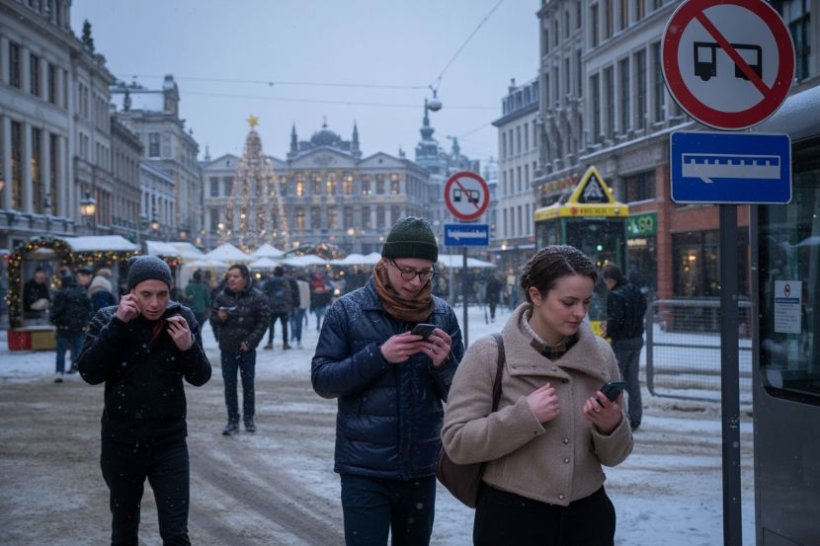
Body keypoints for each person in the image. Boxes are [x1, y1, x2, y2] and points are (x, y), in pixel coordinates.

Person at [441, 245, 633, 546]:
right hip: (511, 519)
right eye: (568, 302)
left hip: (587, 518)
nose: (580, 313)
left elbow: (617, 455)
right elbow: (457, 443)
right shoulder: (489, 354)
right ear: (535, 295)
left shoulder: (601, 355)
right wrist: (523, 417)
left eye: (587, 301)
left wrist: (610, 426)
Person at [312, 216, 464, 546]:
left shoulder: (442, 315)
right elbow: (323, 381)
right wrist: (378, 356)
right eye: (407, 271)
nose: (415, 282)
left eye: (425, 273)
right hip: (363, 469)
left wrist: (444, 365)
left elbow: (462, 397)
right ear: (385, 262)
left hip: (421, 467)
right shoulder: (347, 311)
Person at [77, 255, 211, 546]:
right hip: (121, 443)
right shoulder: (107, 319)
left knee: (176, 534)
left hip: (169, 443)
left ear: (170, 291)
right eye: (146, 294)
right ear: (130, 292)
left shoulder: (181, 318)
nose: (154, 303)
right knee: (125, 532)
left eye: (162, 294)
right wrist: (117, 325)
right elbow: (89, 372)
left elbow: (200, 377)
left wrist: (188, 348)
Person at [210, 263, 269, 435]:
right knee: (230, 386)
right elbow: (212, 317)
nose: (232, 280)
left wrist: (250, 342)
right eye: (229, 276)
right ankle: (232, 420)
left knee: (248, 385)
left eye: (235, 276)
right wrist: (219, 318)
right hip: (227, 348)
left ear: (245, 278)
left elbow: (264, 321)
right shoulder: (222, 297)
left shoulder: (257, 297)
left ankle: (249, 419)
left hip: (246, 349)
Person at [602, 262, 648, 431]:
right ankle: (635, 418)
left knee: (615, 381)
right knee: (633, 382)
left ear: (610, 279)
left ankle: (618, 419)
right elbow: (643, 308)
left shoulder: (616, 295)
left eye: (605, 281)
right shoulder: (634, 289)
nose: (606, 286)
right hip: (637, 340)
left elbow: (616, 320)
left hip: (622, 343)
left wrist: (609, 330)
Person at [50, 270, 93, 381]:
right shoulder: (81, 292)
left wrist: (55, 321)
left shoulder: (61, 293)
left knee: (61, 351)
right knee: (78, 350)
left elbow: (55, 311)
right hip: (78, 326)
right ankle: (79, 370)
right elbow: (89, 308)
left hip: (63, 327)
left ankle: (59, 372)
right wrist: (84, 321)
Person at [263, 266, 292, 350]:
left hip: (272, 307)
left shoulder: (269, 281)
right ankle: (285, 343)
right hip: (283, 307)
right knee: (284, 326)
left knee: (271, 326)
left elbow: (265, 292)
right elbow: (288, 293)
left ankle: (270, 343)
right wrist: (289, 304)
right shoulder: (285, 281)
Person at [290, 275, 310, 349]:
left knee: (292, 322)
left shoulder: (293, 283)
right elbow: (307, 295)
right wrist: (307, 304)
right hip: (302, 306)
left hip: (293, 305)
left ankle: (292, 337)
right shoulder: (306, 284)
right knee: (299, 323)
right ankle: (298, 339)